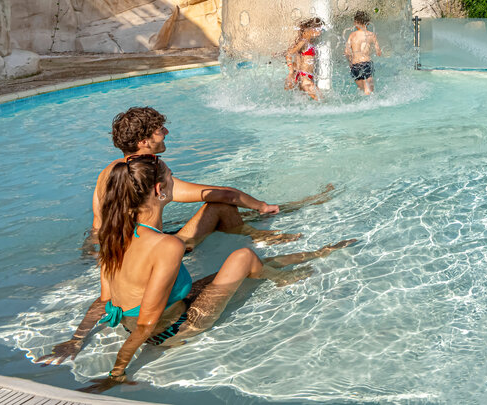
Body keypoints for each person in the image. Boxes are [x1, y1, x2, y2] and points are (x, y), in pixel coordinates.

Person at [40, 154, 356, 391]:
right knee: (244, 256)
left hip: (155, 318)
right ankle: (284, 278)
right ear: (161, 190)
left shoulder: (114, 235)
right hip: (174, 330)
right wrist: (117, 373)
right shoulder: (166, 246)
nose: (176, 184)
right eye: (173, 179)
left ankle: (321, 251)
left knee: (245, 265)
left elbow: (107, 299)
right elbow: (149, 322)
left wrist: (76, 340)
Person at [90, 107, 332, 252]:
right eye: (159, 130)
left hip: (118, 254)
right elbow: (223, 194)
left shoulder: (108, 173)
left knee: (231, 210)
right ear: (143, 142)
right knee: (220, 206)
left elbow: (97, 227)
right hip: (157, 254)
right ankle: (265, 230)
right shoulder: (153, 173)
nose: (166, 133)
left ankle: (267, 218)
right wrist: (262, 205)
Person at [286, 16, 326, 101]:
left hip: (307, 77)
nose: (321, 31)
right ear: (313, 29)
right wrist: (290, 72)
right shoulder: (303, 41)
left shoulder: (310, 41)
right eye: (319, 28)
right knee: (322, 100)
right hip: (304, 78)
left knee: (304, 104)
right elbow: (289, 53)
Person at [344, 10, 383, 94]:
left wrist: (350, 62)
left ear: (355, 23)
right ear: (368, 23)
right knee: (369, 91)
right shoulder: (371, 35)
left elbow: (347, 52)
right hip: (366, 63)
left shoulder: (352, 35)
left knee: (362, 91)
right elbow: (378, 52)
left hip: (355, 65)